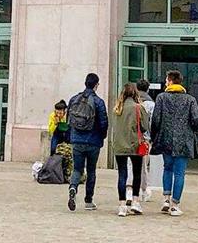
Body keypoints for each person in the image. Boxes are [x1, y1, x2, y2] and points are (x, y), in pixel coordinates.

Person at [150, 69, 198, 216]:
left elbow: (156, 120)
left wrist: (155, 136)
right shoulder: (190, 99)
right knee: (179, 173)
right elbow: (197, 120)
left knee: (167, 168)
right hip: (184, 140)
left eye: (166, 80)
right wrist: (193, 131)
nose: (165, 82)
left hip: (166, 139)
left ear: (171, 81)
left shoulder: (161, 98)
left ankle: (166, 198)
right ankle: (175, 204)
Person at [65, 72, 108, 212]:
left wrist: (70, 136)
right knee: (91, 170)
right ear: (96, 85)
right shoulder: (99, 102)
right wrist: (102, 136)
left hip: (77, 140)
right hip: (93, 141)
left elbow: (68, 121)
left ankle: (73, 187)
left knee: (77, 169)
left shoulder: (73, 99)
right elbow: (103, 122)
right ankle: (88, 200)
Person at [107, 82, 147, 217]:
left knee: (122, 174)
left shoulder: (117, 108)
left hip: (119, 145)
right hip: (135, 144)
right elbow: (145, 126)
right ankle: (135, 201)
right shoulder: (138, 108)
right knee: (136, 174)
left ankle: (122, 205)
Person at [136, 78, 155, 200]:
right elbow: (153, 122)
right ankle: (144, 189)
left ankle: (132, 189)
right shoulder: (151, 104)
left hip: (132, 138)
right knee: (144, 165)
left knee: (131, 164)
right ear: (148, 89)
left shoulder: (132, 102)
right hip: (145, 138)